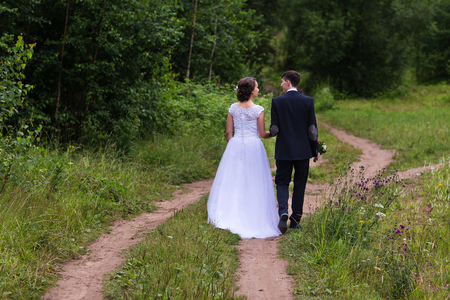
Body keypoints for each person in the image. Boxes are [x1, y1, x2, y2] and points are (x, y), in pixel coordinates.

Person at [207, 77, 281, 239]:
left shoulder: (233, 108)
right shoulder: (258, 109)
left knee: (233, 178)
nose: (258, 89)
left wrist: (231, 147)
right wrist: (274, 133)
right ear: (251, 91)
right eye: (257, 87)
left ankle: (229, 212)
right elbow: (262, 134)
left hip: (235, 145)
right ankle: (253, 214)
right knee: (254, 179)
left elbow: (228, 132)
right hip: (253, 146)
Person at [270, 70, 319, 233]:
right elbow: (312, 130)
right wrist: (315, 150)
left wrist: (270, 131)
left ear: (288, 82)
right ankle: (295, 219)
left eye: (282, 81)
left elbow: (275, 129)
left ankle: (283, 211)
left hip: (283, 150)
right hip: (303, 151)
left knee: (282, 182)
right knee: (300, 183)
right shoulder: (308, 101)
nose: (281, 84)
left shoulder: (277, 101)